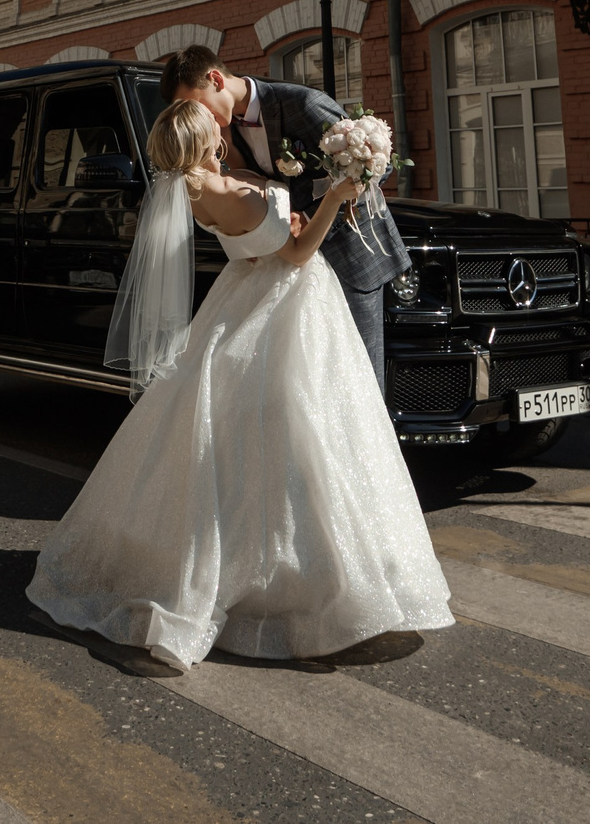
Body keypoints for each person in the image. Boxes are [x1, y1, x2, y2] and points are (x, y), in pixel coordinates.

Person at [25, 99, 453, 673]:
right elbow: (298, 254)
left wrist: (284, 211)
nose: (221, 135)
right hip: (284, 306)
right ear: (203, 140)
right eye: (213, 131)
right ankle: (306, 581)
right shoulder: (231, 192)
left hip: (240, 297)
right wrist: (334, 197)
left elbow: (261, 234)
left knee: (241, 439)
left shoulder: (194, 190)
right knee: (309, 431)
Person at [160, 44, 406, 392]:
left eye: (196, 105)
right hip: (291, 274)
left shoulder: (302, 104)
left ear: (215, 79)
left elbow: (371, 172)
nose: (202, 118)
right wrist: (263, 232)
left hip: (349, 258)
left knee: (359, 383)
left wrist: (304, 215)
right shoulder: (224, 131)